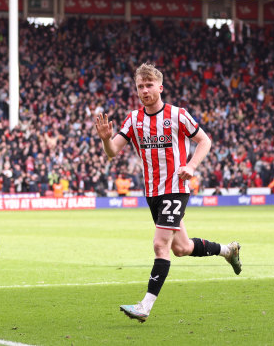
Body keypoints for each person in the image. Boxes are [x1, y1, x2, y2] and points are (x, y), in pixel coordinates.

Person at [95, 63, 241, 323]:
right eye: (140, 86)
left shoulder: (177, 115)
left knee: (159, 244)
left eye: (149, 85)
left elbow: (204, 141)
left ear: (160, 87)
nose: (144, 90)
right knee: (182, 248)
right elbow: (112, 152)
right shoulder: (133, 119)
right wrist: (106, 138)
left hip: (175, 188)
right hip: (152, 192)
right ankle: (227, 251)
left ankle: (145, 306)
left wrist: (192, 166)